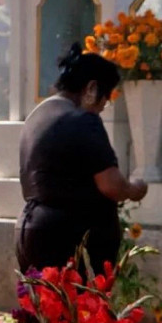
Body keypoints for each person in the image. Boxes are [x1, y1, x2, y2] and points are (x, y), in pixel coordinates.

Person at [16, 47, 147, 275]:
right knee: (77, 308)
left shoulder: (36, 117)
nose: (102, 108)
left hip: (31, 229)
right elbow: (111, 186)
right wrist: (135, 189)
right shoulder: (83, 120)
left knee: (45, 307)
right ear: (91, 88)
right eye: (104, 99)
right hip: (68, 238)